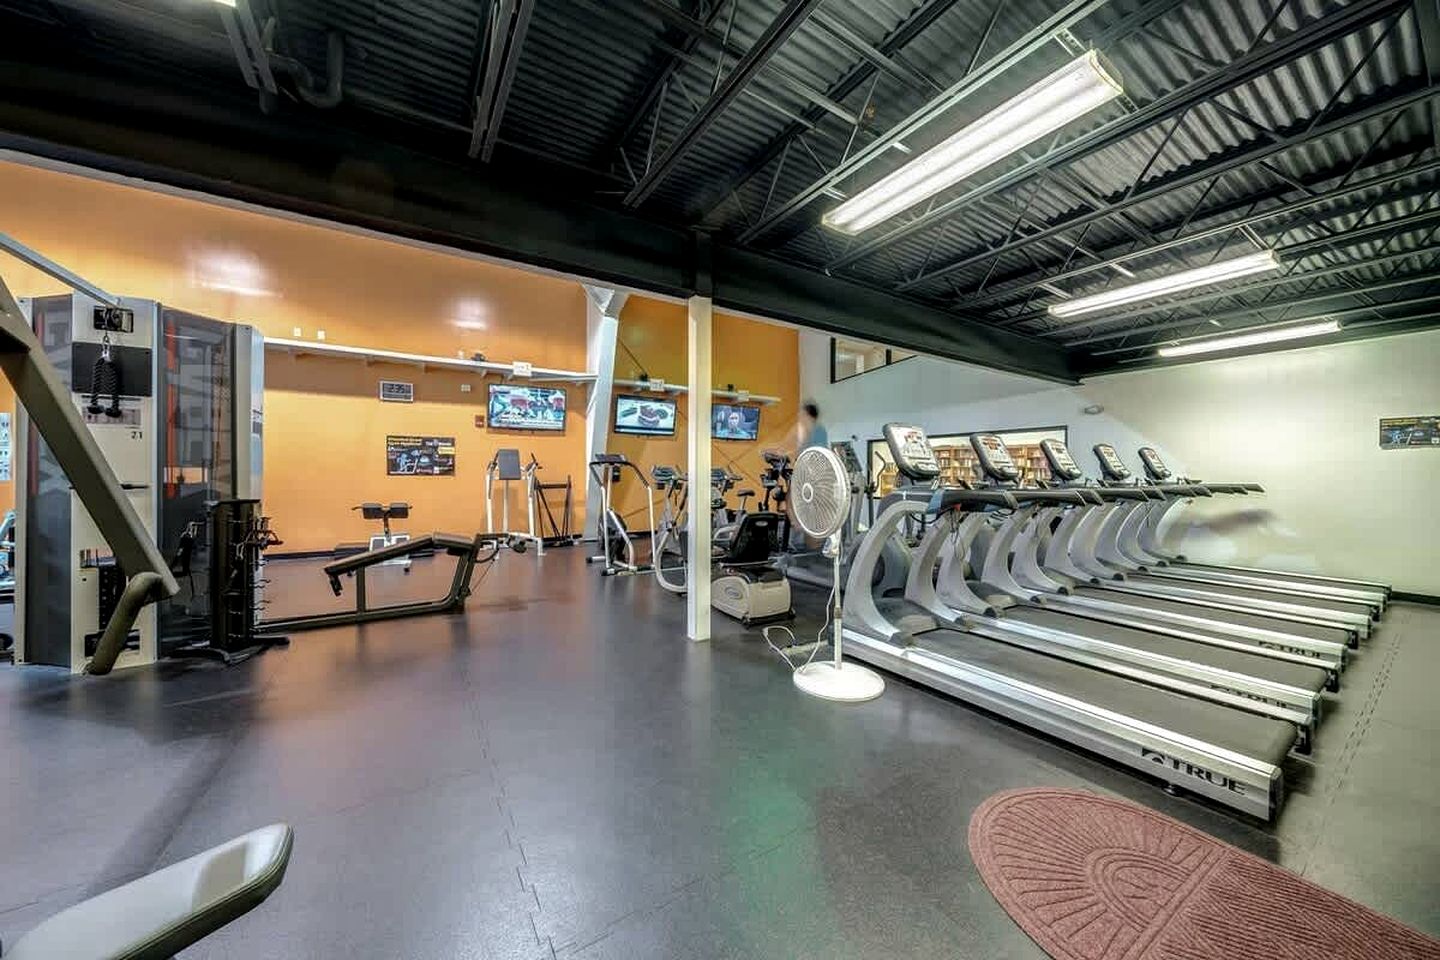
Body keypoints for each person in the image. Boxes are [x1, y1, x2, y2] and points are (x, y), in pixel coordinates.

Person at [789, 401, 828, 549]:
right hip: (814, 473)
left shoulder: (814, 430)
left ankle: (798, 525)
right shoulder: (816, 429)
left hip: (812, 473)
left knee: (789, 498)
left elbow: (807, 452)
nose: (799, 416)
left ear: (807, 414)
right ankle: (800, 527)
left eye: (802, 413)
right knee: (795, 500)